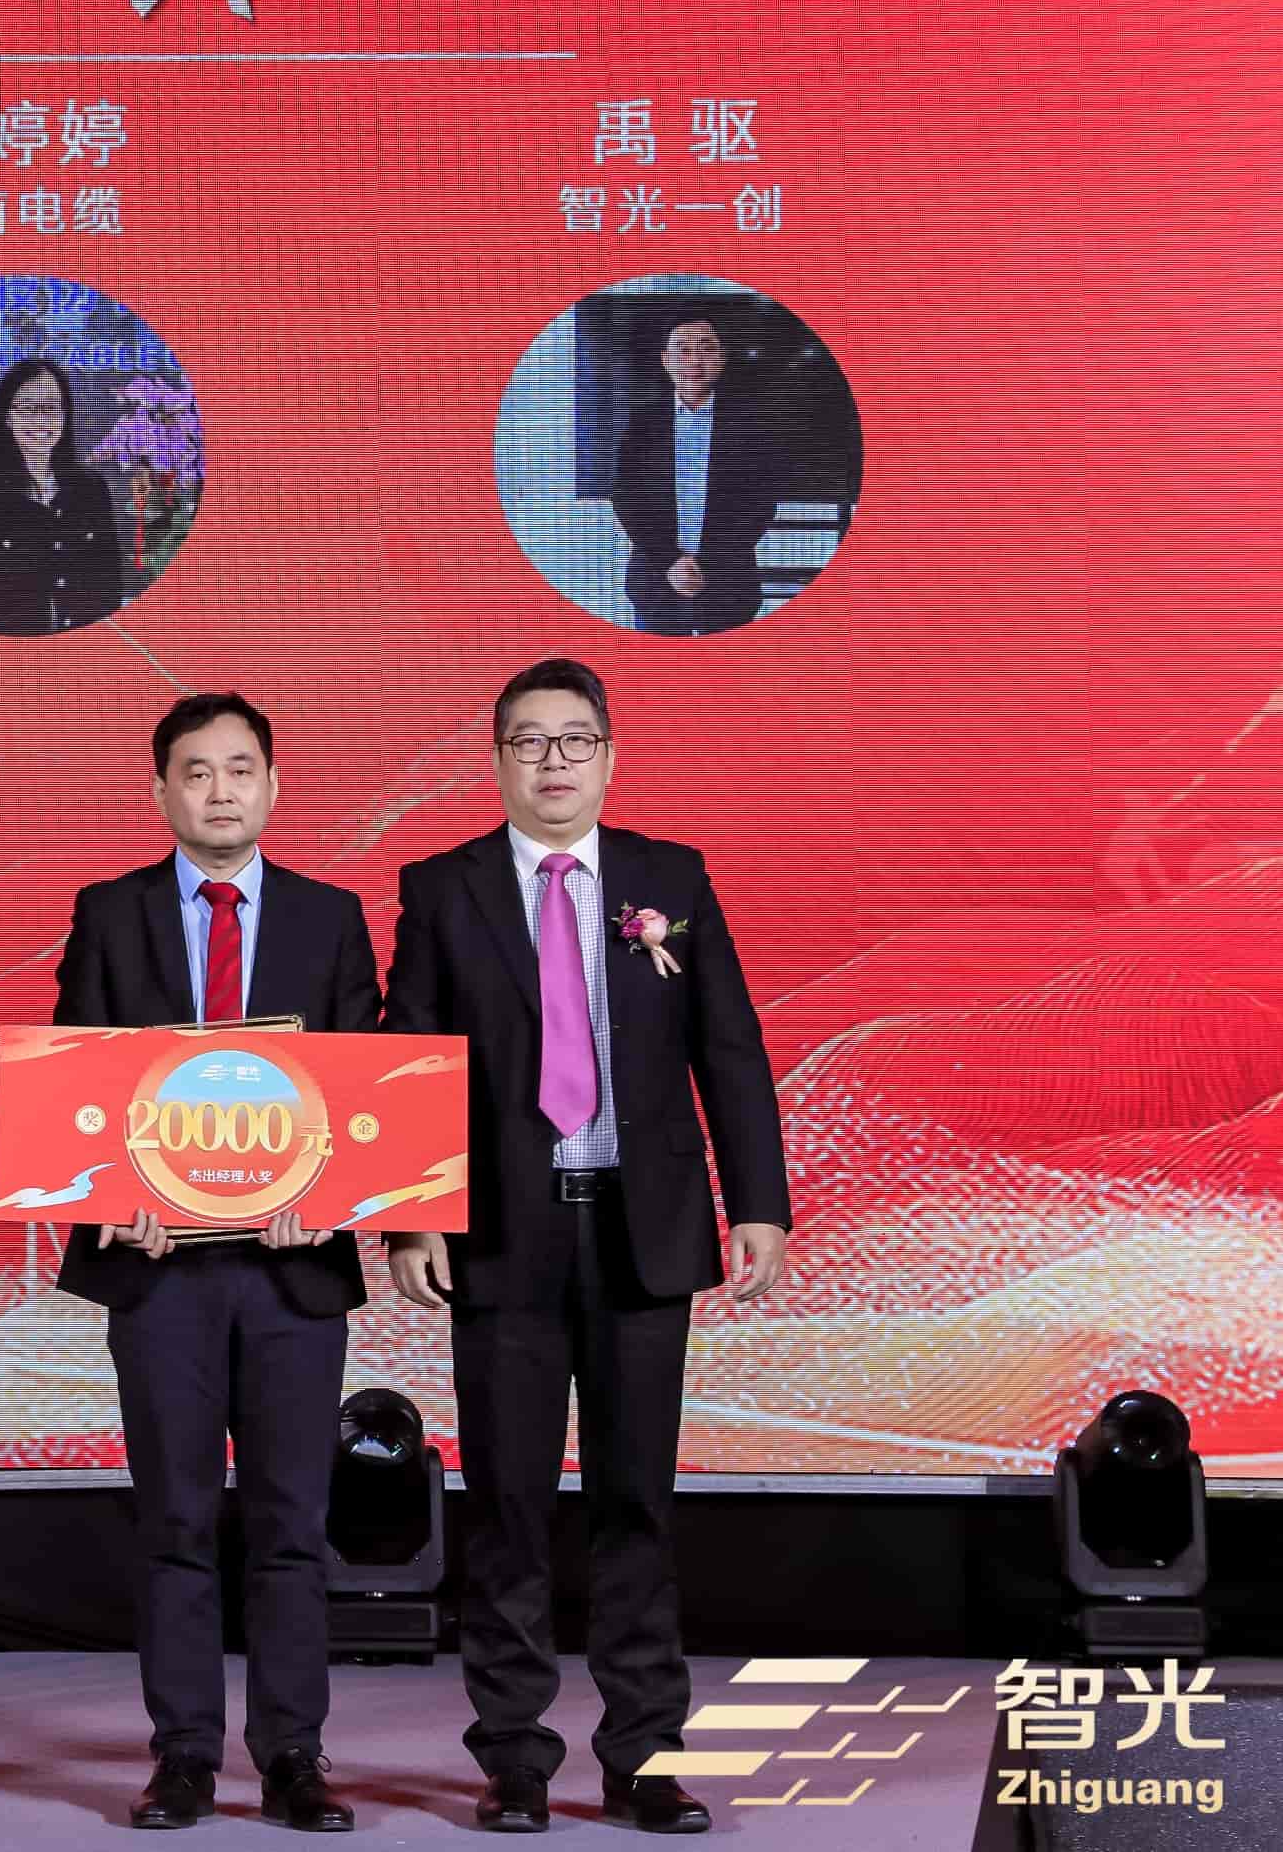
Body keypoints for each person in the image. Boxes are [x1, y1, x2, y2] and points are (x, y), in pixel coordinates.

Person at [380, 659, 791, 1835]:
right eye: (528, 740)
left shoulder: (670, 878)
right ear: (496, 759)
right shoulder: (443, 887)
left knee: (634, 1500)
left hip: (641, 1225)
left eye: (574, 740)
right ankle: (513, 1756)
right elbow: (411, 1054)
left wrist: (757, 1200)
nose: (552, 761)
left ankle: (643, 1754)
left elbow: (727, 1042)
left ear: (609, 756)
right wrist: (412, 1210)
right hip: (502, 1233)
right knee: (507, 1503)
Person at [51, 694, 380, 1834]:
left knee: (291, 1521)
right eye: (197, 772)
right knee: (176, 1519)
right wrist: (114, 1194)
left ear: (273, 785)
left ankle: (293, 1753)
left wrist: (326, 1196)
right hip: (162, 1275)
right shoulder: (111, 912)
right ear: (161, 792)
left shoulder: (331, 917)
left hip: (293, 1271)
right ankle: (183, 1753)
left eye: (241, 768)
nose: (221, 790)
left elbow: (363, 1081)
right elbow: (75, 1078)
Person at [610, 318, 786, 637]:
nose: (694, 360)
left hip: (728, 583)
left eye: (706, 349)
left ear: (722, 358)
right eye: (683, 350)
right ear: (665, 359)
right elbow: (628, 500)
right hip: (656, 581)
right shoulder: (642, 423)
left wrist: (707, 564)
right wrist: (671, 562)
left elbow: (760, 504)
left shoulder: (751, 424)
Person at [0, 356, 122, 636]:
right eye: (28, 408)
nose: (41, 420)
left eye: (52, 407)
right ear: (7, 417)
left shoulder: (92, 490)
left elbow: (110, 589)